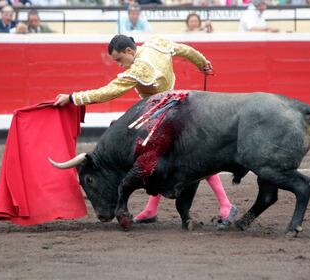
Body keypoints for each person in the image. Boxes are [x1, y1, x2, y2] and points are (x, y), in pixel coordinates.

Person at [54, 35, 238, 227]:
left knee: (182, 156)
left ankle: (226, 205)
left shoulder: (140, 69)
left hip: (164, 113)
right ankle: (151, 209)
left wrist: (73, 97)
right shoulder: (156, 43)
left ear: (129, 51)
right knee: (155, 158)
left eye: (119, 59)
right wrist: (202, 64)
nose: (119, 65)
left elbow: (109, 92)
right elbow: (185, 50)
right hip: (176, 104)